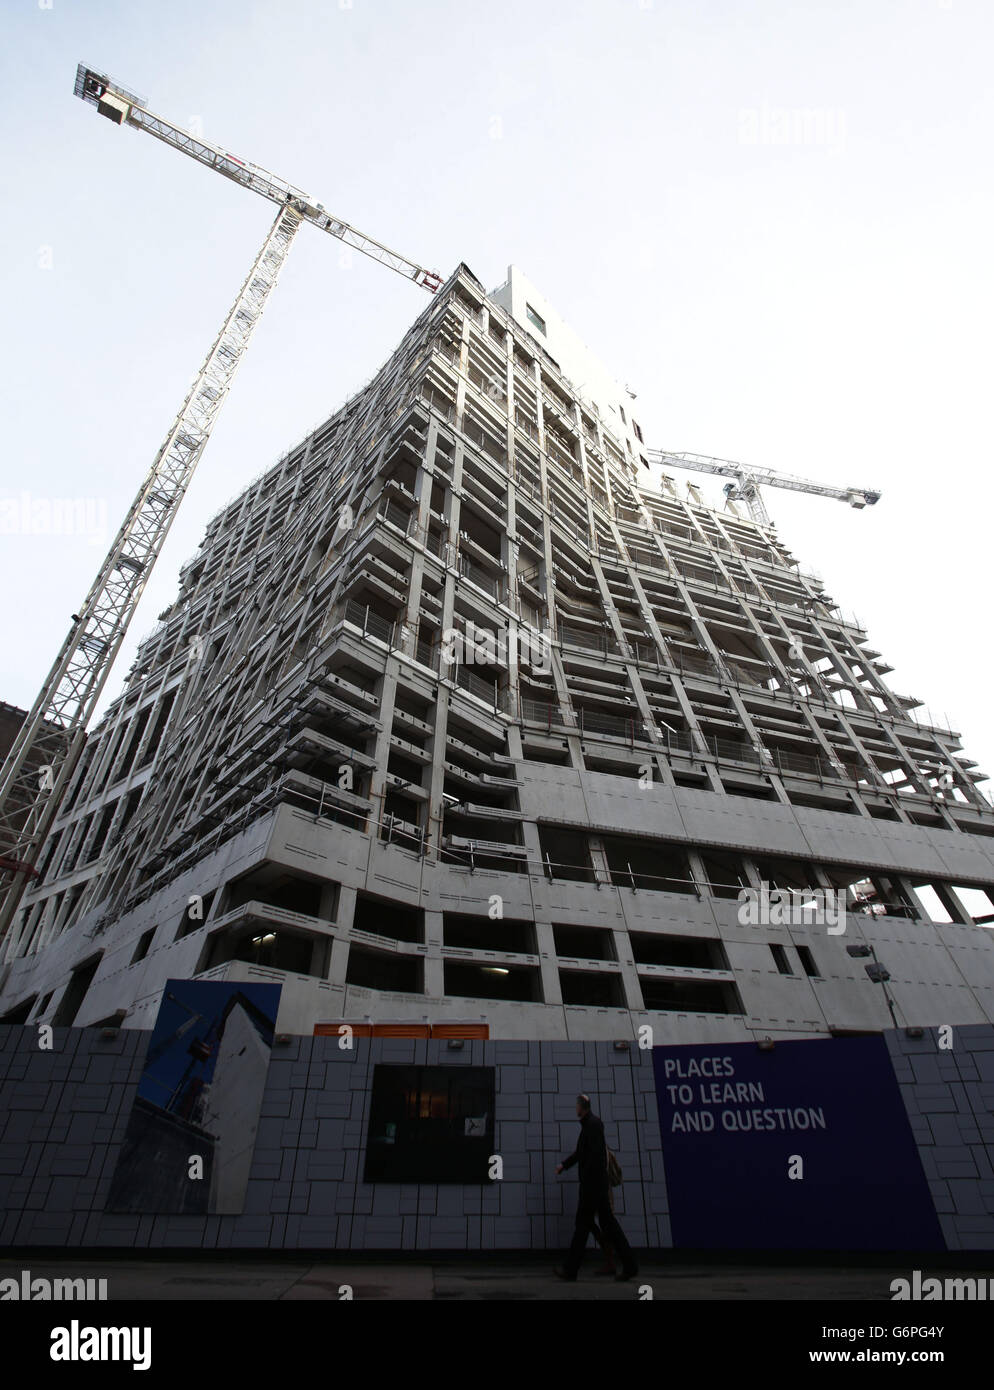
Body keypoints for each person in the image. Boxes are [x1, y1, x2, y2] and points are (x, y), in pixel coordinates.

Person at [554, 1093, 638, 1282]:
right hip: (596, 1187)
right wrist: (564, 1165)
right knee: (607, 1225)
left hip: (592, 1188)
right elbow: (581, 1154)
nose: (575, 1108)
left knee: (583, 1226)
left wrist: (587, 1182)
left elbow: (594, 1158)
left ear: (581, 1107)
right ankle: (630, 1265)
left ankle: (571, 1270)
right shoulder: (590, 1126)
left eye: (576, 1105)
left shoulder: (592, 1126)